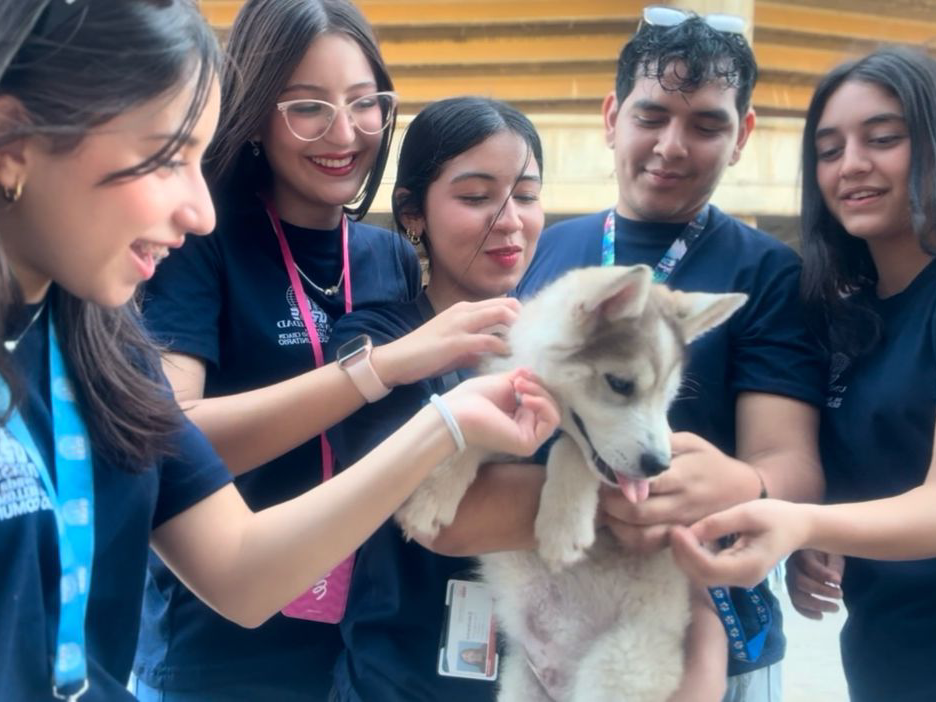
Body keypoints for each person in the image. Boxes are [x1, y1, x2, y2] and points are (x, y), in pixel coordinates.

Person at [0, 2, 560, 701]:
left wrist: (447, 423)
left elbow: (238, 563)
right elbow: (183, 445)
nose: (197, 210)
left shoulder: (104, 344)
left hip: (354, 638)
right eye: (167, 156)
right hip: (220, 661)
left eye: (365, 105)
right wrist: (382, 369)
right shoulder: (196, 258)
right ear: (15, 139)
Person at [429, 8, 826, 701]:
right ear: (612, 117)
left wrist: (739, 487)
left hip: (697, 642)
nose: (672, 145)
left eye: (706, 124)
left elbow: (791, 467)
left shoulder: (765, 272)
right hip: (538, 624)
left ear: (743, 136)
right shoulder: (542, 251)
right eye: (651, 116)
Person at [670, 47, 936, 702]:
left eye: (883, 139)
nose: (851, 165)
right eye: (828, 148)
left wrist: (801, 525)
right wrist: (818, 538)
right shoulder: (850, 316)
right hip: (884, 655)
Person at [325, 97, 544, 702]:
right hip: (396, 680)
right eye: (477, 197)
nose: (510, 221)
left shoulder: (559, 341)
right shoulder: (373, 342)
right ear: (412, 212)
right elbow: (443, 517)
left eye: (526, 195)